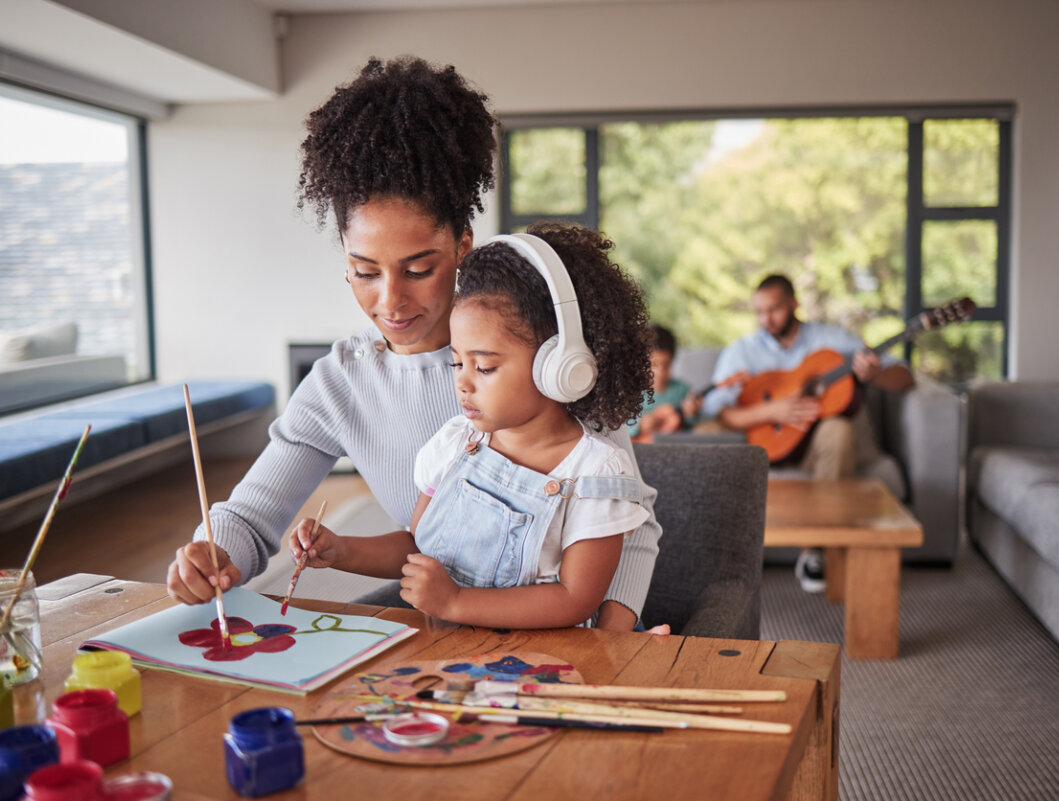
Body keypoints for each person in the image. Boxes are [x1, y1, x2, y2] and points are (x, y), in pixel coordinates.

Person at [165, 56, 661, 631]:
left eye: (418, 269)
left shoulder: (542, 356)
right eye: (365, 272)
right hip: (449, 628)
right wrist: (214, 553)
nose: (391, 302)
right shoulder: (341, 382)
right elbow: (252, 518)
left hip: (576, 628)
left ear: (462, 249)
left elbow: (633, 522)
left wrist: (610, 640)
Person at [290, 223, 653, 628]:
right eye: (458, 363)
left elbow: (575, 599)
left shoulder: (593, 473)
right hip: (458, 651)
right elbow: (418, 548)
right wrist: (341, 551)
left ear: (560, 367)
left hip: (550, 659)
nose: (462, 382)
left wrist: (457, 602)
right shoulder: (455, 444)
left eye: (484, 366)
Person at [700, 273, 913, 592]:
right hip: (760, 448)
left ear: (794, 304)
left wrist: (876, 373)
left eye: (774, 310)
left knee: (839, 430)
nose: (765, 320)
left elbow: (905, 379)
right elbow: (714, 409)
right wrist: (771, 411)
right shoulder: (742, 351)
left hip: (812, 451)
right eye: (759, 312)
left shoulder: (833, 342)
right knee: (704, 433)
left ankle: (815, 550)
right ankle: (709, 552)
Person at [629, 325, 702, 443]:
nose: (660, 372)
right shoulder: (631, 392)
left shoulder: (682, 390)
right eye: (654, 365)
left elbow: (691, 428)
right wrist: (641, 423)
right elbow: (620, 427)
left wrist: (691, 414)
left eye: (666, 365)